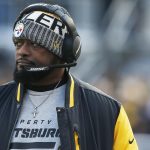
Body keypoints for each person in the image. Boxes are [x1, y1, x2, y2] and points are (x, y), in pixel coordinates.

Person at [0, 3, 138, 150]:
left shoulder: (107, 110)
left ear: (63, 52)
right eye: (18, 43)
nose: (22, 51)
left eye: (34, 44)